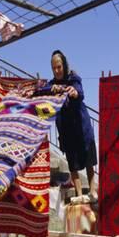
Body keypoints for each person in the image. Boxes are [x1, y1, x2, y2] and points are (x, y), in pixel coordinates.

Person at [37, 50, 98, 200]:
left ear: (63, 65)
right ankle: (78, 195)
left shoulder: (73, 79)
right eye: (54, 68)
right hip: (66, 131)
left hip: (82, 128)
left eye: (59, 67)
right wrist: (51, 89)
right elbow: (40, 92)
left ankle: (92, 192)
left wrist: (74, 92)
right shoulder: (52, 85)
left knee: (88, 161)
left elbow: (80, 92)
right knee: (73, 165)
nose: (57, 71)